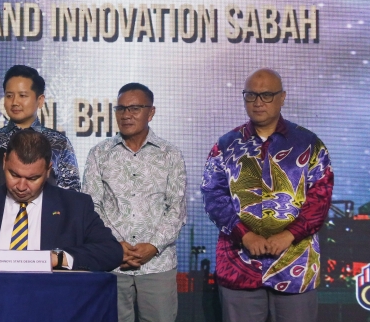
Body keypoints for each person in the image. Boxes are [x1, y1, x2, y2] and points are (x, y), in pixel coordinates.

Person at [202, 69, 333, 322]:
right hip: (239, 265)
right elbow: (213, 195)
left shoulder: (309, 144)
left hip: (296, 266)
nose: (258, 102)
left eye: (266, 95)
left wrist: (289, 235)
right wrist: (245, 234)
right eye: (251, 95)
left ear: (282, 97)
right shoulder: (226, 145)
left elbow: (321, 198)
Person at [0, 129, 122, 271]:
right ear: (5, 162)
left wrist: (58, 258)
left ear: (48, 170)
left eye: (32, 178)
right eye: (14, 174)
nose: (21, 186)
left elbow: (111, 252)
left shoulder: (75, 206)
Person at [83, 83, 187, 322]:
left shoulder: (170, 154)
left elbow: (177, 209)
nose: (126, 115)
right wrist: (113, 246)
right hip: (112, 264)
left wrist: (152, 246)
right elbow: (91, 207)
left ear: (151, 112)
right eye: (121, 109)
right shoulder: (99, 154)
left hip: (157, 265)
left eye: (135, 108)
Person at [0, 65, 81, 195]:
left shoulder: (60, 143)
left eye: (23, 95)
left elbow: (72, 194)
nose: (15, 102)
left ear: (40, 100)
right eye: (9, 96)